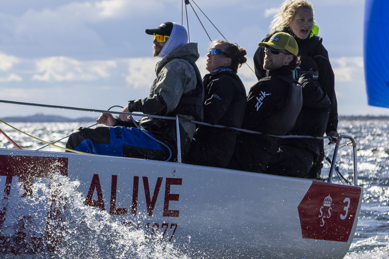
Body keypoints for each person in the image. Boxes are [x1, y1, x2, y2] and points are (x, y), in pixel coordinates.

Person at [66, 22, 202, 160]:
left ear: (174, 41)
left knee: (80, 139)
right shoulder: (179, 66)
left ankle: (66, 174)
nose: (154, 41)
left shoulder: (176, 66)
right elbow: (159, 117)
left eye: (160, 38)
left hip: (162, 143)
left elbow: (163, 104)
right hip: (159, 139)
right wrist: (118, 123)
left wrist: (131, 107)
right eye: (155, 37)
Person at [253, 0, 338, 143]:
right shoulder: (272, 42)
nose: (307, 24)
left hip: (308, 123)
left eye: (310, 20)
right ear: (289, 20)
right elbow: (261, 71)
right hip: (278, 120)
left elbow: (328, 87)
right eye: (301, 20)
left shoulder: (318, 50)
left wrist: (332, 127)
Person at [230, 32, 303, 173]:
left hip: (243, 159)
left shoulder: (269, 86)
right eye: (266, 49)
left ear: (289, 58)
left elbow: (245, 122)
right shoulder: (296, 87)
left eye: (274, 50)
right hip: (265, 157)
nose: (267, 53)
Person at [186, 40, 248, 168]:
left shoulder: (226, 82)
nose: (208, 55)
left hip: (213, 150)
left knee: (168, 149)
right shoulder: (219, 79)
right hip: (208, 146)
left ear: (227, 61)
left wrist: (183, 111)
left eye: (214, 51)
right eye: (209, 51)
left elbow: (210, 115)